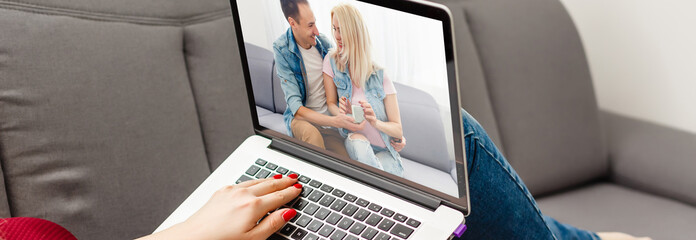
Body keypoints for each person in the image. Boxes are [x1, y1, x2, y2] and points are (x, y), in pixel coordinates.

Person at [322, 3, 406, 177]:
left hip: (385, 150)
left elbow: (397, 129)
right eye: (334, 29)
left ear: (354, 32)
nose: (337, 36)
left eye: (341, 30)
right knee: (360, 146)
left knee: (379, 175)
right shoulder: (331, 61)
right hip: (356, 139)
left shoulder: (380, 75)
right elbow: (330, 103)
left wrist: (375, 122)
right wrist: (342, 115)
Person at [273, 0, 355, 157]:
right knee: (313, 136)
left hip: (329, 126)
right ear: (292, 23)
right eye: (310, 25)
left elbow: (347, 77)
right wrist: (334, 121)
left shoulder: (323, 44)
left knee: (346, 163)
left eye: (315, 23)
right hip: (304, 122)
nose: (317, 31)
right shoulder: (282, 49)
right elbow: (296, 109)